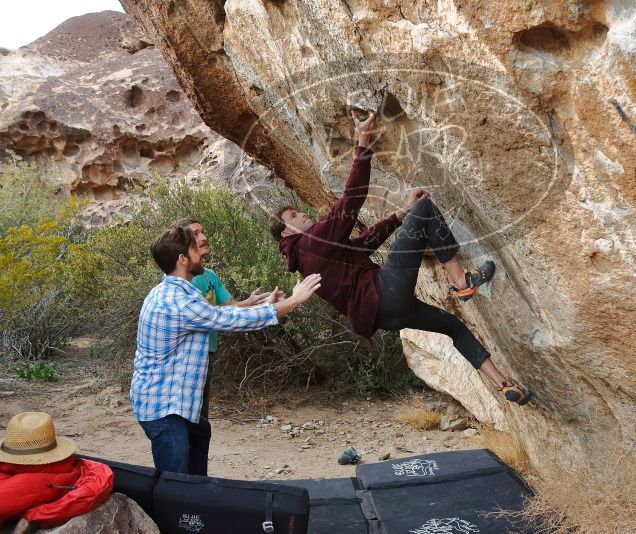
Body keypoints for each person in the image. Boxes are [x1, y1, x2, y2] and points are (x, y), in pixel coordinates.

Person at [270, 111, 531, 405]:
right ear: (285, 233)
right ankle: (461, 281)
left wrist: (401, 212)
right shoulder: (311, 242)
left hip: (387, 316)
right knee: (426, 210)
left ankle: (504, 384)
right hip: (385, 292)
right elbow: (352, 198)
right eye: (293, 215)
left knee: (453, 327)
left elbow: (362, 245)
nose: (301, 214)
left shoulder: (308, 260)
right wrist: (363, 141)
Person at [130, 225, 321, 475]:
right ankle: (179, 512)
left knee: (200, 436)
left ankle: (196, 508)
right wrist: (294, 300)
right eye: (194, 248)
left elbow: (217, 314)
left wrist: (262, 304)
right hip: (164, 408)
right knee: (174, 486)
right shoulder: (178, 302)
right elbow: (231, 321)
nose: (201, 251)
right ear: (182, 259)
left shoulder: (172, 293)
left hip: (170, 403)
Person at [173, 218, 283, 421]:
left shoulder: (210, 275)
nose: (204, 238)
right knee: (186, 413)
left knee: (200, 412)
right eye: (195, 234)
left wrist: (253, 303)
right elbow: (215, 316)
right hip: (188, 354)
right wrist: (270, 308)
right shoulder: (184, 281)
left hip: (208, 350)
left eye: (203, 232)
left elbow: (228, 307)